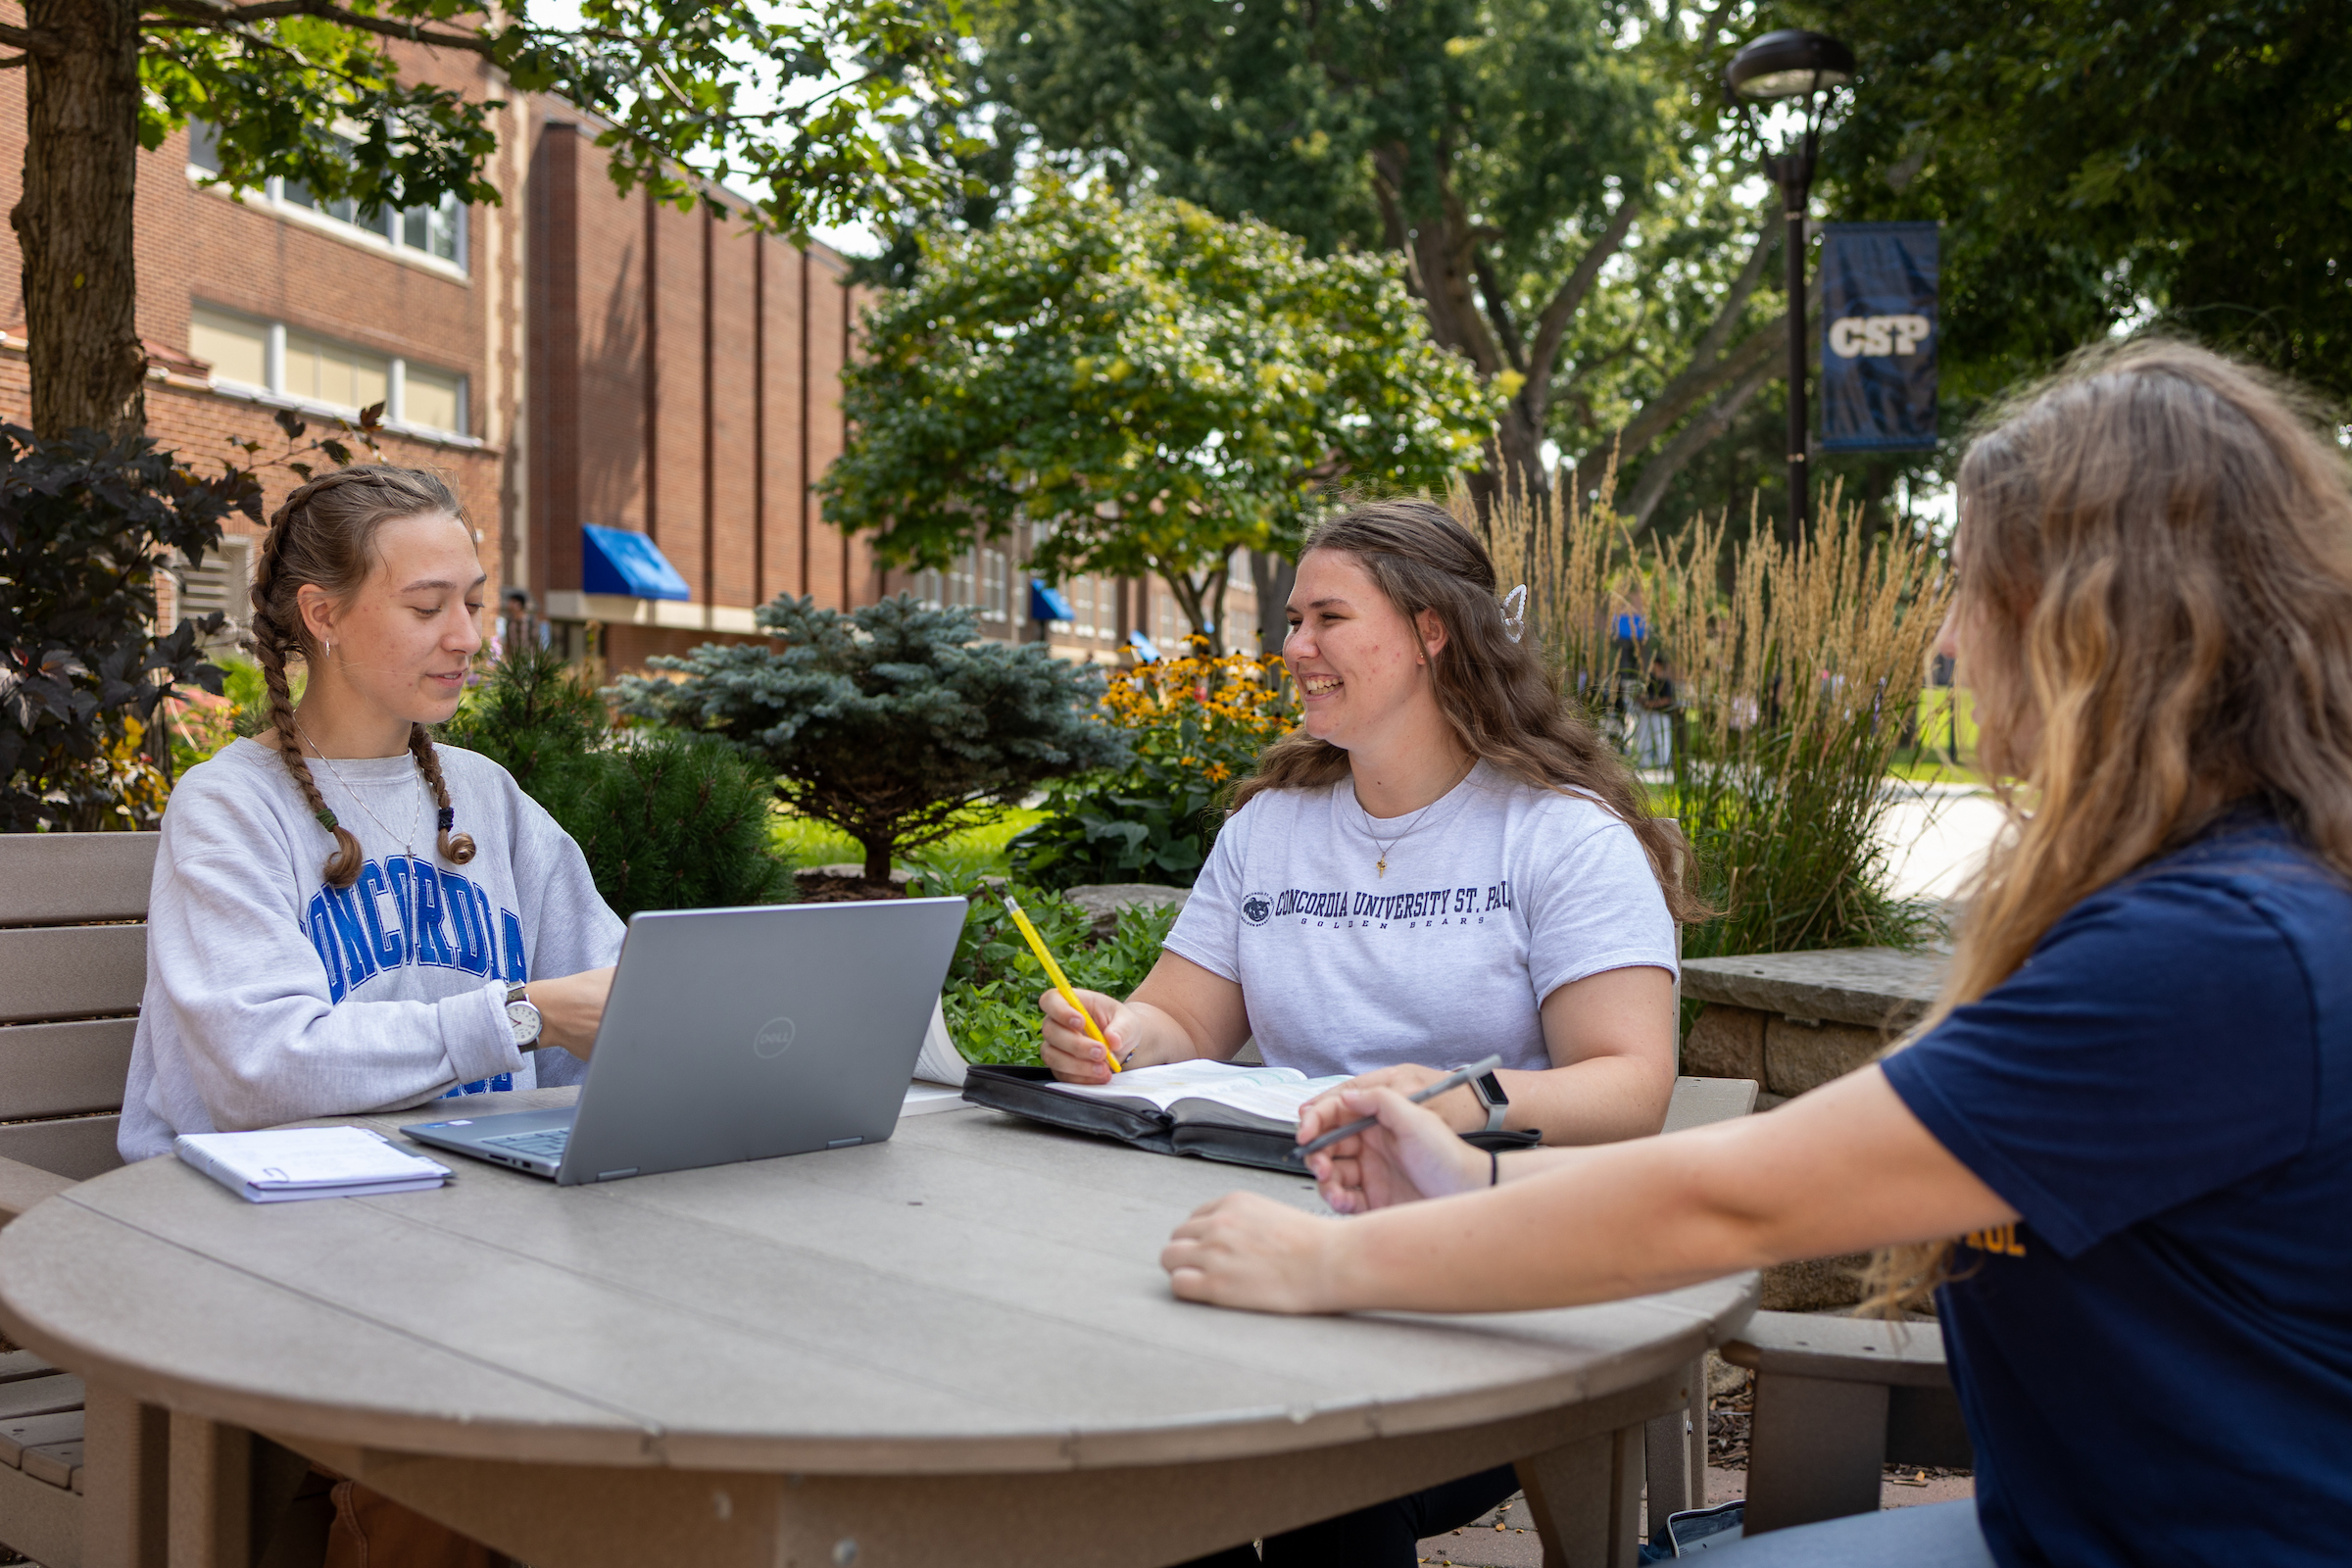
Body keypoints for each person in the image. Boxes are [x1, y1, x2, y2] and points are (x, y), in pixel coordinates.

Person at [1158, 341, 2352, 1568]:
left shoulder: (2207, 954)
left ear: (2095, 621)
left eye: (1970, 587)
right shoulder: (2205, 905)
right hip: (2061, 1523)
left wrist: (1335, 1260)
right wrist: (1472, 1183)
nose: (1944, 637)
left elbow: (1743, 1191)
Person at [1038, 500, 1704, 1565]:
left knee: (1313, 1464)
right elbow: (1180, 1019)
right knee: (1143, 1432)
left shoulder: (1563, 836)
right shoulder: (1271, 828)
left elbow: (1631, 1088)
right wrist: (1116, 1031)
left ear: (1433, 629)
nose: (1293, 647)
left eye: (1326, 618)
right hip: (1284, 1231)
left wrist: (1448, 1096)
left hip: (1489, 1266)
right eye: (1293, 620)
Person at [121, 466, 620, 1164]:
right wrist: (522, 1017)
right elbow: (261, 1069)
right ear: (323, 615)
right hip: (267, 1211)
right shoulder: (230, 806)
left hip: (480, 1197)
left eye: (472, 604)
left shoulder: (486, 795)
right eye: (426, 608)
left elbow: (613, 1001)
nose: (466, 638)